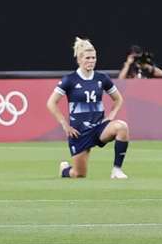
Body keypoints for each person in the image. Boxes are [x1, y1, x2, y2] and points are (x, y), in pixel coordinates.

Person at [46, 37, 130, 179]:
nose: (91, 61)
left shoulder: (102, 78)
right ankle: (65, 170)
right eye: (88, 58)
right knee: (79, 174)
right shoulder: (69, 80)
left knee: (122, 127)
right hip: (79, 133)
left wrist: (111, 116)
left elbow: (118, 99)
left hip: (99, 128)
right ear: (79, 59)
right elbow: (51, 103)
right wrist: (65, 125)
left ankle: (117, 170)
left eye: (93, 58)